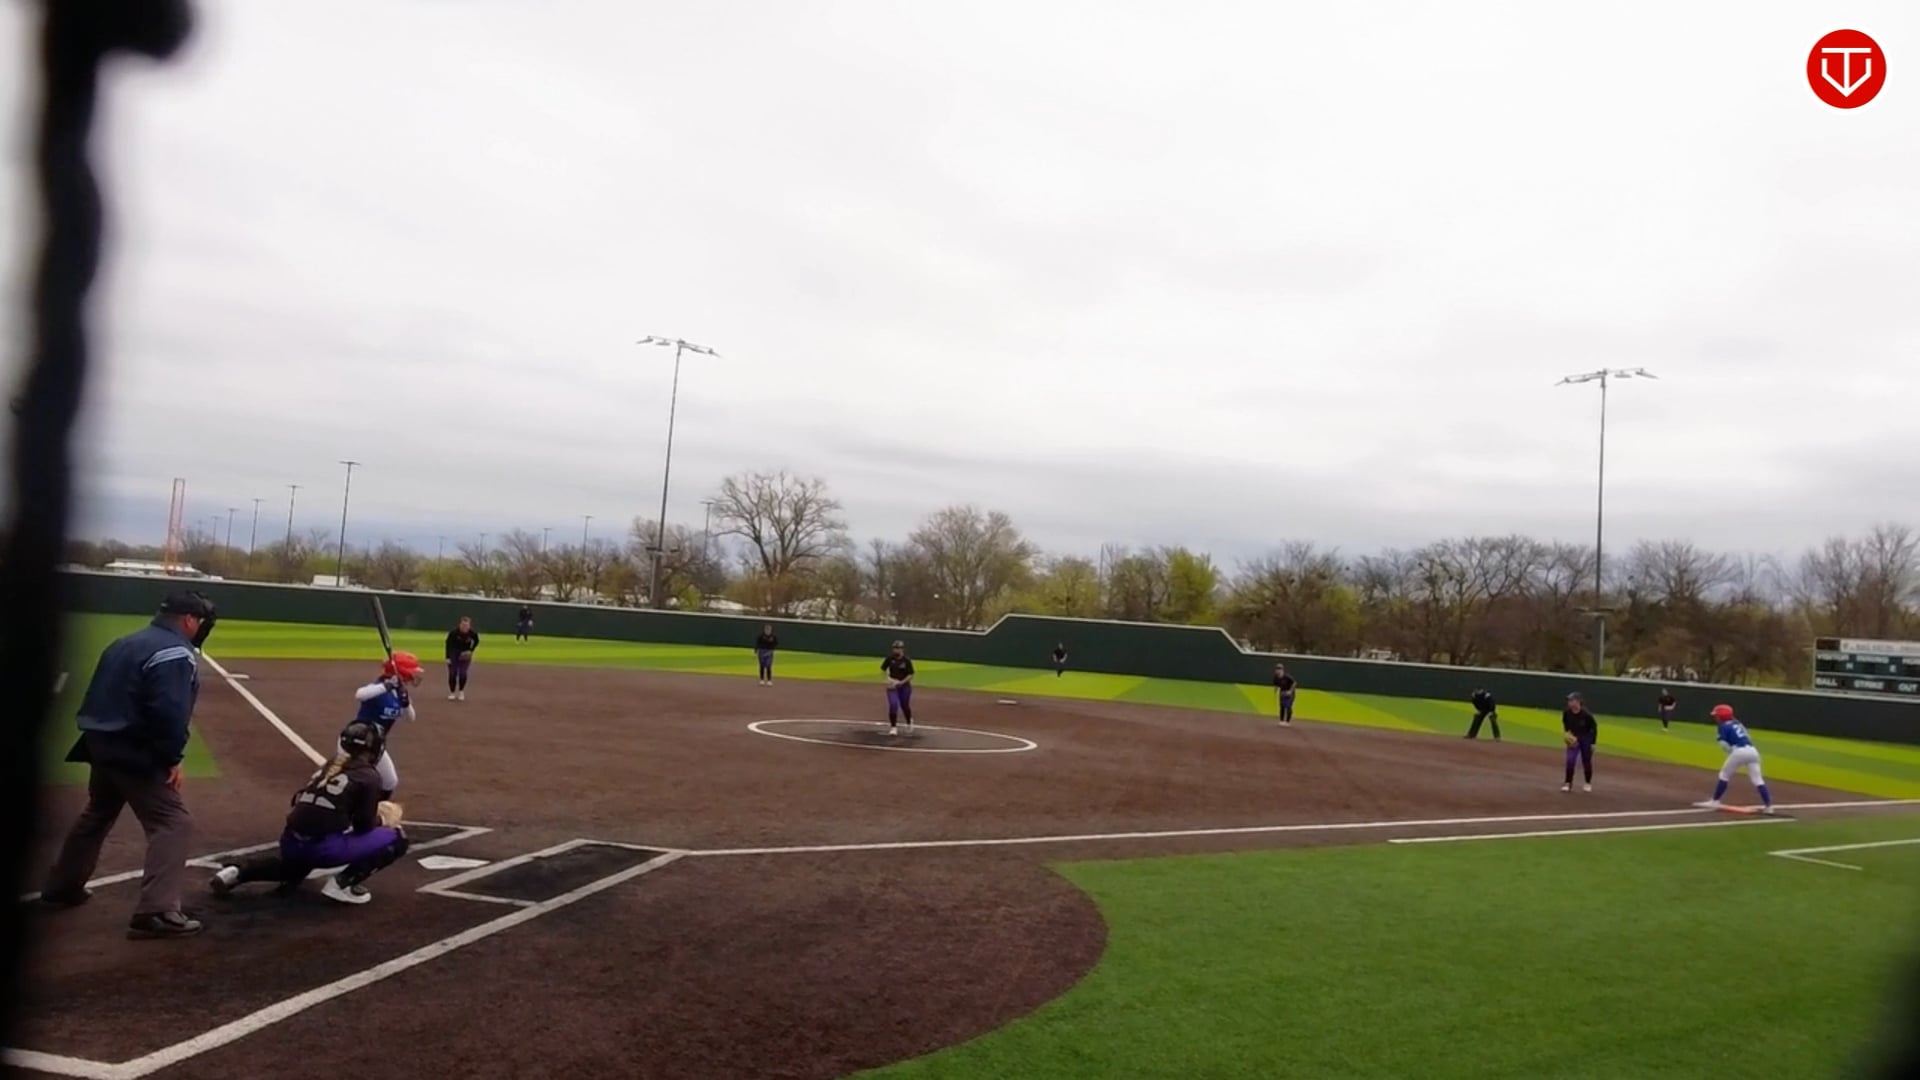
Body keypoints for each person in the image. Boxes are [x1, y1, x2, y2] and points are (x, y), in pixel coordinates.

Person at [40, 591, 217, 940]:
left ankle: (62, 886)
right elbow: (169, 714)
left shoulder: (124, 643)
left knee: (98, 812)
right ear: (188, 620)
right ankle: (157, 912)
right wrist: (171, 759)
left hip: (100, 742)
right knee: (173, 822)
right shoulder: (175, 653)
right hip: (133, 750)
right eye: (200, 621)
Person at [207, 721, 412, 905]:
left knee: (295, 867)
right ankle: (342, 884)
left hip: (290, 841)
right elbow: (363, 827)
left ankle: (239, 872)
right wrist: (382, 819)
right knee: (397, 837)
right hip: (323, 848)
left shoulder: (331, 765)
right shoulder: (368, 776)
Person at [348, 651, 423, 799]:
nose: (414, 675)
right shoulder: (378, 687)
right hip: (355, 741)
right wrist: (387, 686)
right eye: (411, 671)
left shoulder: (400, 692)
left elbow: (411, 718)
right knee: (354, 779)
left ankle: (373, 809)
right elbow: (360, 694)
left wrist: (406, 703)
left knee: (389, 782)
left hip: (376, 744)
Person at [1700, 704, 1774, 814]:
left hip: (1739, 751)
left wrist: (1732, 752)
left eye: (1717, 715)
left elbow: (1723, 744)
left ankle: (1715, 801)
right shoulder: (1738, 724)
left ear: (1721, 716)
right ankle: (1769, 807)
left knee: (1724, 775)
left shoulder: (1723, 726)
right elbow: (1748, 737)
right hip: (1753, 751)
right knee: (1758, 779)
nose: (1715, 717)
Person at [1561, 692, 1598, 792]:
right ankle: (1568, 783)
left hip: (1586, 738)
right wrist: (1568, 734)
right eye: (1569, 700)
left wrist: (1593, 743)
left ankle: (1587, 783)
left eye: (1571, 700)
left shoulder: (1587, 715)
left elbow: (1594, 728)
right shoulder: (1566, 713)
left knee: (1586, 761)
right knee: (1570, 760)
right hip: (1574, 738)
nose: (1569, 702)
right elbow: (1565, 724)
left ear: (1578, 701)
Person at [882, 640, 916, 736]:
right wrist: (888, 679)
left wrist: (901, 682)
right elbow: (883, 669)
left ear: (902, 649)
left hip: (904, 686)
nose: (896, 650)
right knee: (893, 705)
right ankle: (893, 727)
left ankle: (909, 721)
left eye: (898, 648)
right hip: (892, 686)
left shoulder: (906, 660)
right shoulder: (889, 659)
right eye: (895, 648)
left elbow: (911, 674)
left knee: (905, 705)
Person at [445, 616, 480, 701]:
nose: (464, 627)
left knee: (463, 673)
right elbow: (448, 644)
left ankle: (461, 692)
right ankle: (452, 692)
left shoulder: (472, 634)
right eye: (463, 625)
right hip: (454, 654)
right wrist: (448, 657)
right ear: (460, 624)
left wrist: (471, 650)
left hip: (465, 655)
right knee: (452, 673)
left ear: (469, 626)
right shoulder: (453, 633)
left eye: (466, 625)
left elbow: (476, 641)